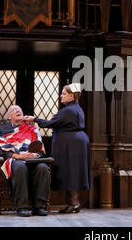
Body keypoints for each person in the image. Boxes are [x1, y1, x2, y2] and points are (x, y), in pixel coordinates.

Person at [25, 83, 91, 213]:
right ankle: (74, 203)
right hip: (75, 143)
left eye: (64, 93)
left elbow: (50, 123)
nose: (61, 96)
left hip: (72, 145)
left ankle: (74, 203)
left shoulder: (68, 110)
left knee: (72, 173)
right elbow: (62, 122)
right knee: (72, 173)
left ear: (71, 96)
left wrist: (35, 119)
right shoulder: (75, 108)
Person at [0, 105, 50, 217]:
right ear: (9, 117)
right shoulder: (1, 130)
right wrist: (16, 155)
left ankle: (39, 206)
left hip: (31, 160)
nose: (18, 110)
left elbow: (40, 149)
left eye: (20, 109)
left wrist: (33, 155)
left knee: (42, 167)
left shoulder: (32, 130)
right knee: (20, 167)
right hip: (13, 160)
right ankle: (22, 207)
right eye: (13, 110)